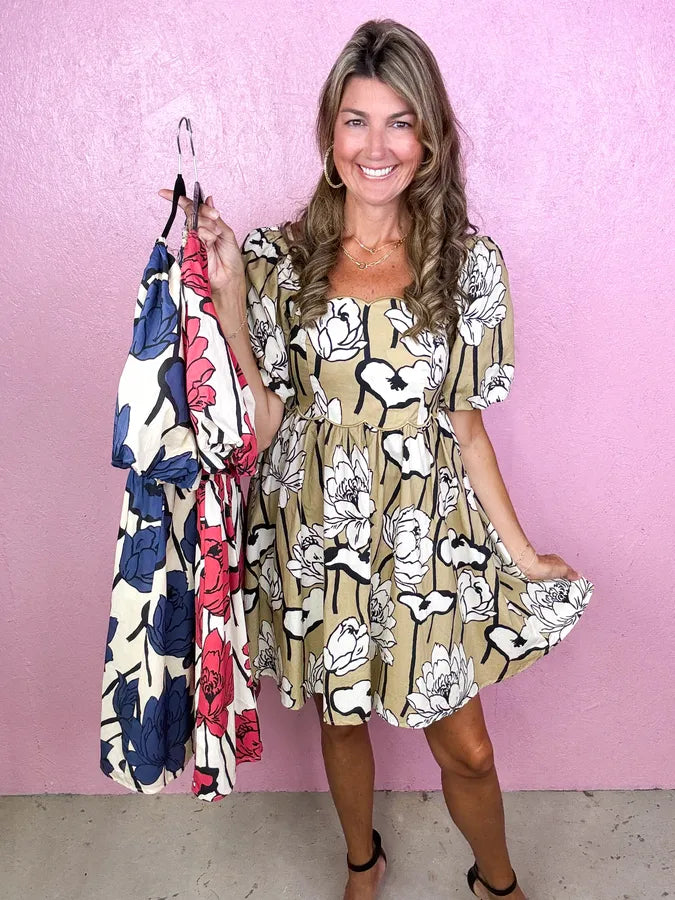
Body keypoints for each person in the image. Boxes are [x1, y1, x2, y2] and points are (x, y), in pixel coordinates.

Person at [160, 18, 594, 900]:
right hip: (315, 535)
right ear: (330, 134)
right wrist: (231, 296)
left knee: (466, 749)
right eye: (356, 120)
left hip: (425, 540)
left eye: (399, 122)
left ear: (427, 139)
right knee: (340, 718)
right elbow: (264, 420)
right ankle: (362, 860)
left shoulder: (467, 266)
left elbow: (466, 430)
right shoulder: (280, 260)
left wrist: (520, 556)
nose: (375, 146)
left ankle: (498, 884)